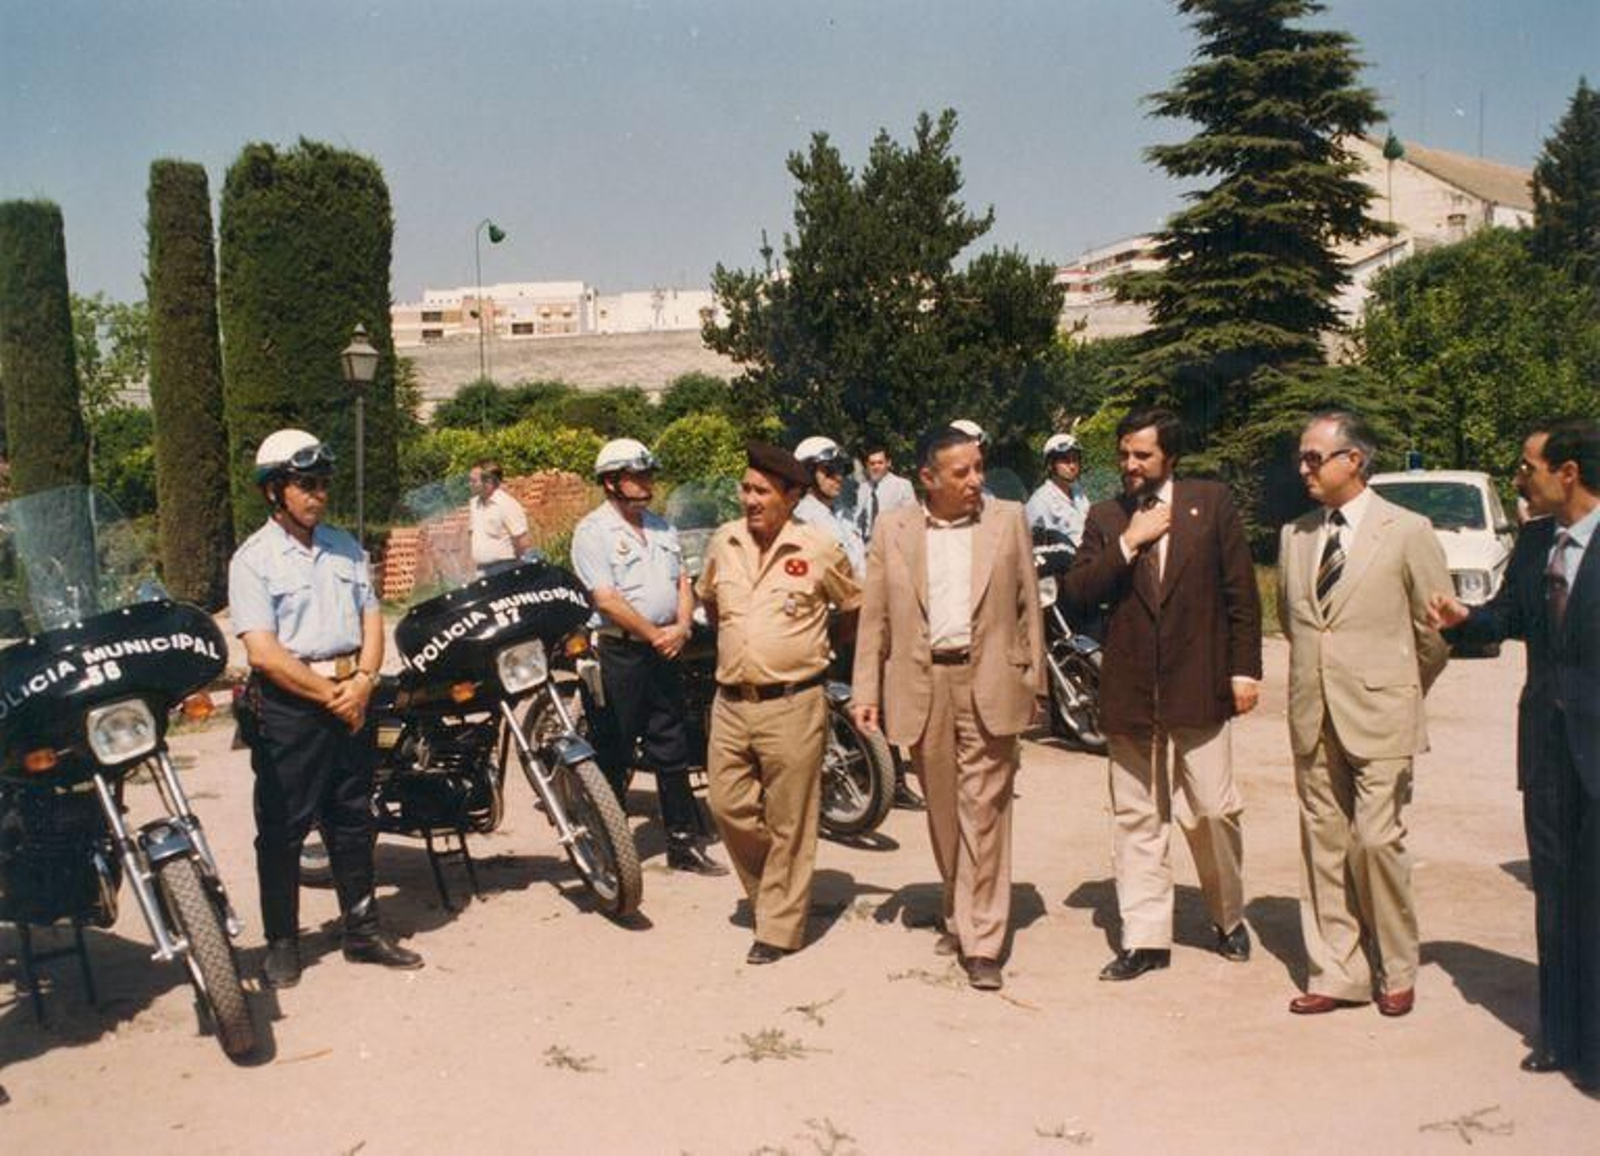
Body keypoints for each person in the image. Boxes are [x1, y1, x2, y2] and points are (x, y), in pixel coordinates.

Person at [1059, 407, 1261, 982]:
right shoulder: (1106, 516)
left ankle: (1228, 917)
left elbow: (1242, 594)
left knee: (1214, 810)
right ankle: (1146, 938)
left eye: (1142, 455)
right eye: (1124, 454)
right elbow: (1076, 593)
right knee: (1138, 817)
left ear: (1170, 457)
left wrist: (1244, 671)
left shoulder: (1210, 503)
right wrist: (1128, 542)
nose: (1130, 464)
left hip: (1199, 682)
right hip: (1131, 690)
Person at [1428, 418, 1600, 1087]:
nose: (1518, 478)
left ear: (1568, 473)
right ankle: (1560, 1034)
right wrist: (1466, 621)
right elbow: (1512, 619)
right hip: (1548, 752)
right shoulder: (1534, 541)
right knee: (1555, 897)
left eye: (1528, 467)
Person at [852, 425, 1044, 991]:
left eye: (979, 467)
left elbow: (1028, 606)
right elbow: (874, 618)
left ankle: (983, 942)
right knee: (942, 810)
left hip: (990, 678)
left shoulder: (1007, 519)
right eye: (962, 472)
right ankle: (958, 908)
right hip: (922, 683)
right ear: (927, 478)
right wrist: (866, 692)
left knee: (984, 811)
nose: (976, 480)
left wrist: (1035, 684)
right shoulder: (893, 529)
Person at [229, 429, 422, 989]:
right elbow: (262, 651)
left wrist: (362, 682)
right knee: (283, 827)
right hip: (291, 705)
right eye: (304, 484)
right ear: (274, 491)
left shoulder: (345, 547)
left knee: (354, 817)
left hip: (350, 695)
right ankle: (282, 943)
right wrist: (330, 694)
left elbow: (371, 620)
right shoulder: (253, 560)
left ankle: (362, 932)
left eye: (321, 484)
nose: (317, 494)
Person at [1278, 410, 1449, 1018]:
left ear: (1354, 460)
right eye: (1301, 458)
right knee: (1324, 846)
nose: (1303, 469)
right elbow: (1295, 625)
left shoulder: (1408, 530)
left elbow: (1434, 633)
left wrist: (1399, 687)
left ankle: (1396, 967)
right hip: (1313, 713)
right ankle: (1339, 971)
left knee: (1376, 842)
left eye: (1314, 458)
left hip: (1383, 713)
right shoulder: (1295, 535)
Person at [695, 442, 861, 964]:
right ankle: (776, 891)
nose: (750, 499)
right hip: (730, 701)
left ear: (791, 496)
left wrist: (820, 648)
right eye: (746, 489)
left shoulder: (818, 548)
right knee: (728, 807)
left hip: (793, 702)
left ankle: (779, 928)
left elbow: (853, 605)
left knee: (791, 818)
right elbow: (710, 602)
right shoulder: (725, 541)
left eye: (762, 491)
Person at [569, 438, 726, 876]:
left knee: (671, 743)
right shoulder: (593, 532)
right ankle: (611, 847)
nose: (646, 483)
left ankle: (682, 843)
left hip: (665, 647)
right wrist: (655, 634)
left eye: (647, 475)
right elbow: (606, 599)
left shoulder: (661, 527)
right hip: (620, 650)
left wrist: (681, 626)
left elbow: (682, 581)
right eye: (636, 476)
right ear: (611, 482)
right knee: (614, 745)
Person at [793, 435, 867, 575]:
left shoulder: (846, 514)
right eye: (830, 470)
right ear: (807, 473)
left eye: (841, 470)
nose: (838, 477)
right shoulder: (801, 521)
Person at [1026, 433, 1091, 549]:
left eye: (1075, 460)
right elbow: (1039, 547)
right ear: (1050, 465)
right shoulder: (1041, 501)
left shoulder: (1078, 492)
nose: (1072, 466)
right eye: (1065, 461)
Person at [468, 459, 530, 575]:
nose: (470, 484)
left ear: (489, 482)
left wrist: (516, 569)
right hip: (482, 570)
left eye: (474, 481)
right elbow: (473, 534)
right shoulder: (474, 504)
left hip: (504, 569)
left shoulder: (506, 504)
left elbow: (522, 542)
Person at [856, 443, 917, 542]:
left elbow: (911, 520)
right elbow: (859, 520)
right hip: (868, 543)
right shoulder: (863, 488)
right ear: (867, 465)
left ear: (888, 463)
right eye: (872, 463)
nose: (876, 467)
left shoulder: (902, 485)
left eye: (880, 463)